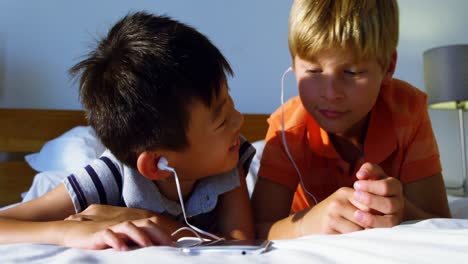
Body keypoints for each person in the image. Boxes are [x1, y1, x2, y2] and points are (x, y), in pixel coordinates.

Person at [0, 11, 255, 250]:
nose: (238, 121)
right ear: (157, 163)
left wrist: (150, 220)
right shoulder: (110, 177)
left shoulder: (228, 158)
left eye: (229, 103)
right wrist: (66, 232)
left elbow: (242, 245)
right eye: (221, 121)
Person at [251, 0, 451, 239]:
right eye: (314, 71)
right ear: (294, 65)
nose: (331, 93)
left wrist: (401, 210)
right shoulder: (286, 129)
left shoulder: (408, 111)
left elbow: (441, 224)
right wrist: (307, 223)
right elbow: (257, 231)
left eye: (351, 72)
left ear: (388, 67)